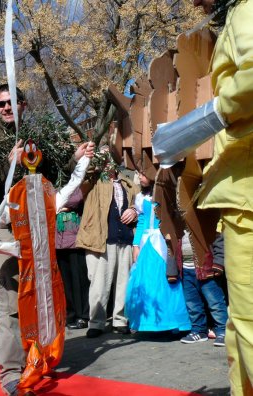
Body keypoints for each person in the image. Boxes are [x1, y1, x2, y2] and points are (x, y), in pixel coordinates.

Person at [0, 84, 95, 395]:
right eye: (1, 104)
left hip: (40, 231)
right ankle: (10, 372)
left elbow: (58, 179)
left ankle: (40, 356)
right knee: (10, 300)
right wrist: (6, 166)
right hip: (7, 230)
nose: (6, 108)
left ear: (23, 105)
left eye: (12, 102)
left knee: (44, 295)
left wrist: (75, 159)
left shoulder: (40, 138)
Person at [190, 0, 253, 393]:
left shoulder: (246, 10)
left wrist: (215, 111)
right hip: (242, 193)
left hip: (248, 191)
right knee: (237, 324)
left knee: (247, 321)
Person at [74, 147, 138, 338]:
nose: (108, 160)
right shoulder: (93, 180)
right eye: (104, 156)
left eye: (110, 156)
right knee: (99, 284)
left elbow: (140, 202)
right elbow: (78, 177)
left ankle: (120, 320)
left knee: (124, 282)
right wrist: (85, 158)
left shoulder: (128, 183)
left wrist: (134, 210)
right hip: (100, 238)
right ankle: (96, 322)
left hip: (125, 238)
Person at [125, 169, 191, 333]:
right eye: (138, 174)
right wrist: (135, 245)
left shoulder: (166, 195)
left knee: (166, 279)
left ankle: (169, 322)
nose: (139, 177)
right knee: (146, 282)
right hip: (146, 243)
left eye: (142, 173)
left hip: (163, 240)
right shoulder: (140, 197)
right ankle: (148, 323)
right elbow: (141, 222)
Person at [56, 187, 90, 330]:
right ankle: (69, 314)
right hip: (58, 241)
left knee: (79, 280)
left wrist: (60, 206)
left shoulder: (76, 184)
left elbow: (77, 199)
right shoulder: (52, 183)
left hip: (75, 240)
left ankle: (82, 315)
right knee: (65, 282)